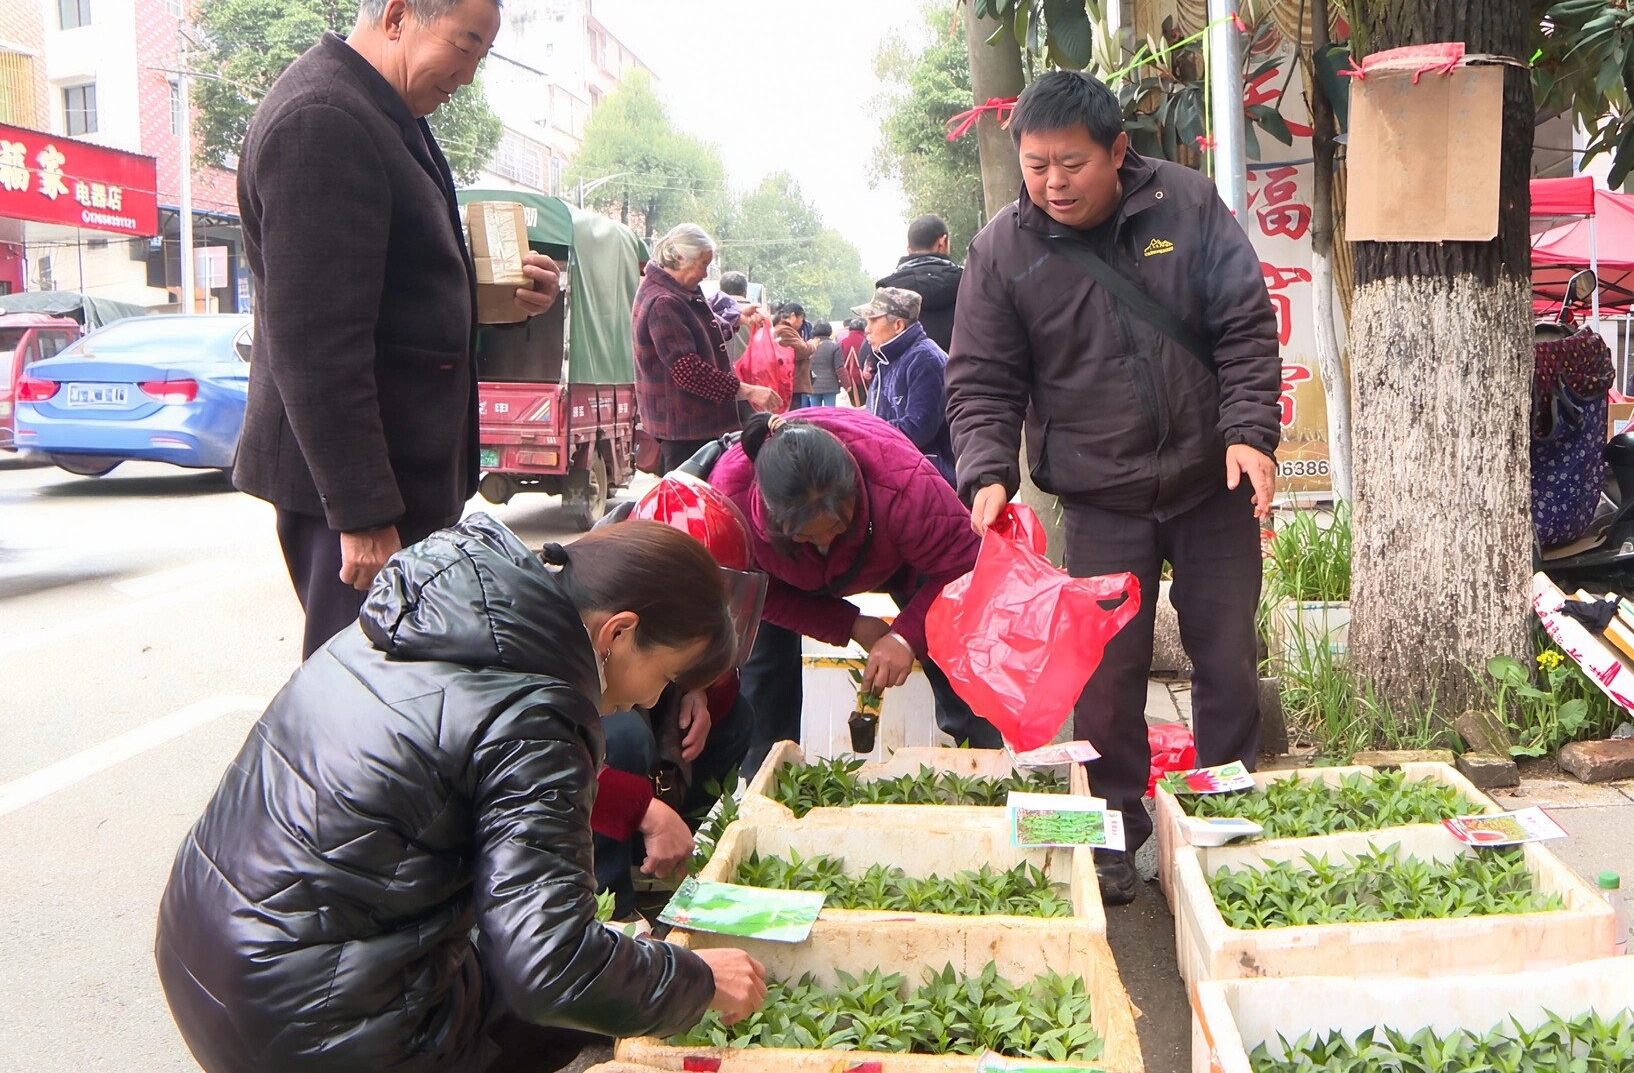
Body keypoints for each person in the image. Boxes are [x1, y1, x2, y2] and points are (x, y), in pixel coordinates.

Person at [156, 515, 768, 1073]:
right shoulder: (537, 715)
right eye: (663, 677)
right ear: (619, 631)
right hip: (309, 1024)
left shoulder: (431, 612)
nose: (650, 701)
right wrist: (694, 980)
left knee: (531, 986)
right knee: (551, 1000)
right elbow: (548, 968)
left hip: (206, 949)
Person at [946, 70, 1280, 905]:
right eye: (1035, 166)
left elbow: (1244, 324)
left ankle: (1221, 817)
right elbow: (983, 378)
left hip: (1212, 484)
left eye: (1070, 164)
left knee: (1227, 655)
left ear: (1118, 151)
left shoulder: (1188, 204)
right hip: (1098, 496)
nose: (1052, 184)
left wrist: (1249, 432)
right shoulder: (1002, 250)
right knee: (1105, 679)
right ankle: (1115, 833)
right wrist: (987, 472)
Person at [232, 0, 562, 660]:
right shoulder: (323, 120)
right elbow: (318, 344)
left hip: (398, 481)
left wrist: (497, 293)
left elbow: (384, 286)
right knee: (363, 706)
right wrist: (362, 515)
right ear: (397, 16)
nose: (468, 75)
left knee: (402, 695)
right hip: (356, 496)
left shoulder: (384, 110)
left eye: (482, 54)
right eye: (465, 46)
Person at [712, 410, 1003, 776]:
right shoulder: (731, 506)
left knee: (952, 651)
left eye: (836, 527)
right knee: (764, 682)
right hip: (779, 579)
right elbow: (754, 594)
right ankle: (766, 786)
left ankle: (985, 769)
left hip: (897, 557)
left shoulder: (902, 485)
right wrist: (849, 624)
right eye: (806, 536)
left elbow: (965, 562)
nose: (824, 543)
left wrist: (906, 636)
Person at [591, 474, 765, 920]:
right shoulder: (586, 630)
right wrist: (641, 807)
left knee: (737, 720)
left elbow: (723, 673)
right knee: (624, 736)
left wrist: (702, 689)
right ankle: (611, 905)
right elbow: (554, 761)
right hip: (587, 782)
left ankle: (667, 856)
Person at [635, 223, 780, 474]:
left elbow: (701, 331)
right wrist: (748, 391)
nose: (704, 274)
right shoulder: (664, 302)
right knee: (688, 503)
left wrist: (738, 319)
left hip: (696, 422)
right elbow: (689, 372)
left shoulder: (678, 290)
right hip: (686, 427)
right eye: (702, 265)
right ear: (679, 258)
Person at [858, 287, 956, 485]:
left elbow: (919, 428)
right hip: (901, 474)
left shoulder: (925, 359)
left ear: (898, 325)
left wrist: (865, 433)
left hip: (928, 481)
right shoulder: (888, 360)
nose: (867, 328)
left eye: (873, 320)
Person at [875, 214, 965, 350]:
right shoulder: (969, 281)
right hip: (964, 369)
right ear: (943, 242)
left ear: (909, 250)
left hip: (907, 371)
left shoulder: (887, 290)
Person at [798, 320, 843, 408]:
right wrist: (847, 385)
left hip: (813, 385)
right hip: (830, 385)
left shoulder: (808, 346)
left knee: (814, 412)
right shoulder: (834, 346)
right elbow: (839, 368)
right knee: (830, 412)